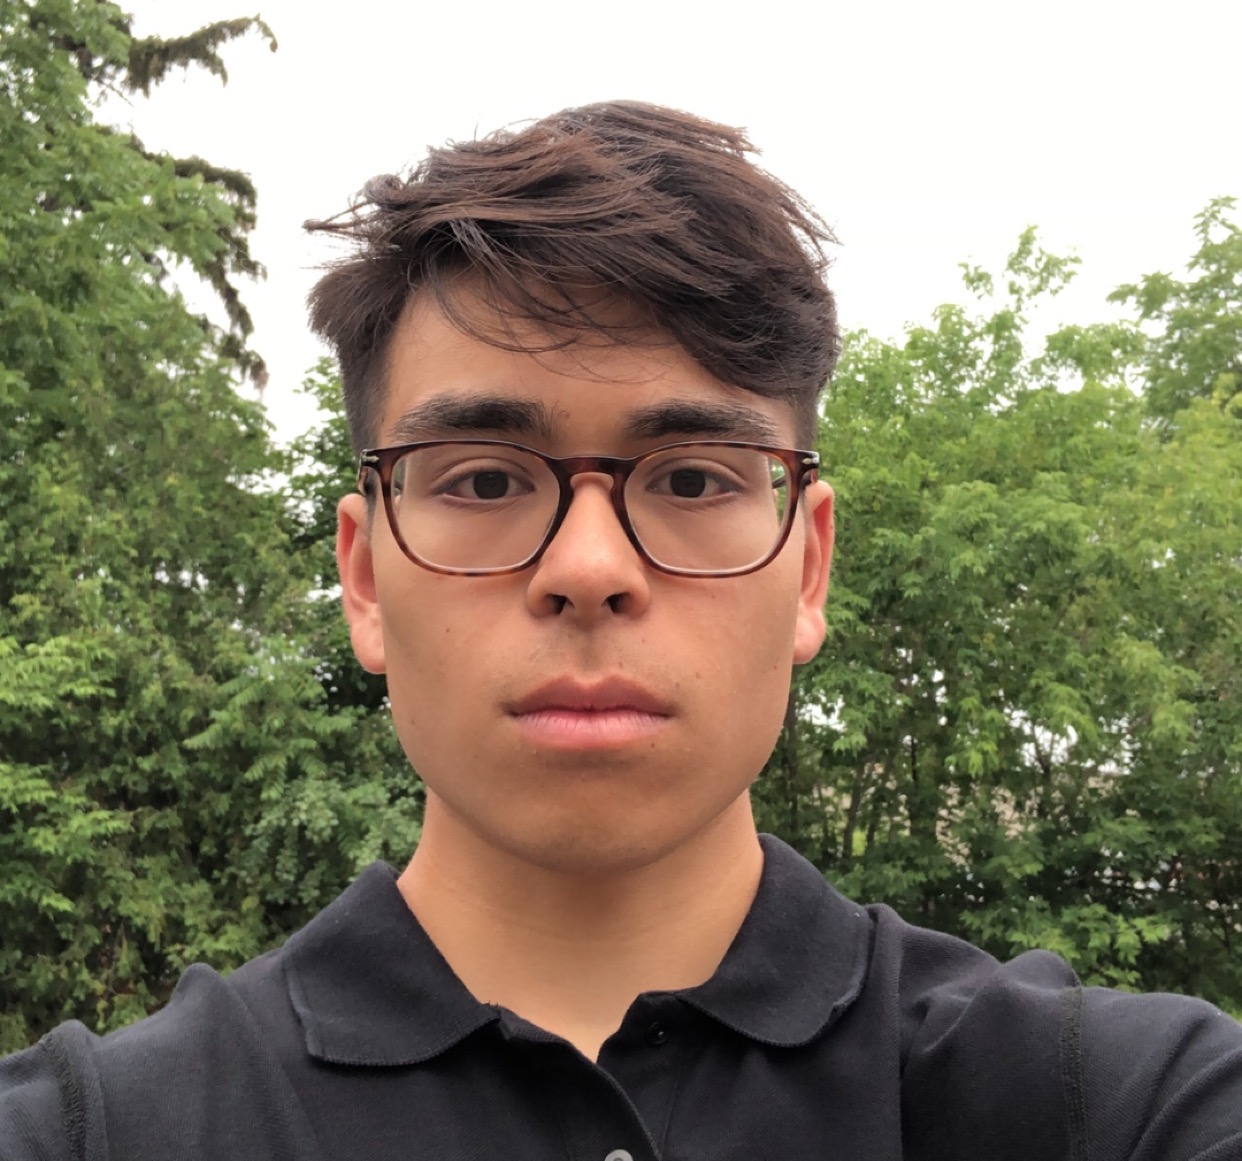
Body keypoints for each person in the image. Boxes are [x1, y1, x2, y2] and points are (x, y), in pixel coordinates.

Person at [2, 101, 1240, 1161]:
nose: (587, 570)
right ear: (365, 578)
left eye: (694, 479)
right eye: (485, 479)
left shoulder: (1121, 1107)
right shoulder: (98, 1130)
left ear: (807, 566)